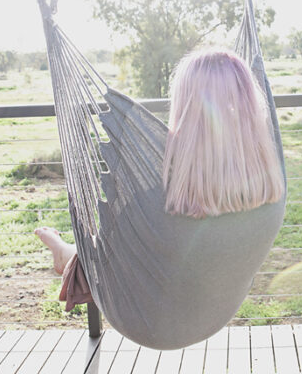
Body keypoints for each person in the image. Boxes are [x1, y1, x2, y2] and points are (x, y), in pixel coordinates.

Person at [35, 47, 285, 311]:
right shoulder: (266, 176)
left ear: (185, 104)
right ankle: (68, 253)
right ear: (248, 101)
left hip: (149, 315)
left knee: (106, 249)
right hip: (214, 307)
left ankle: (66, 254)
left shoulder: (154, 192)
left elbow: (115, 254)